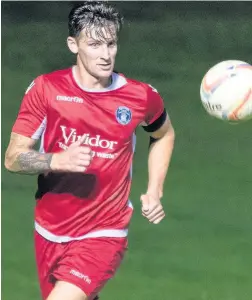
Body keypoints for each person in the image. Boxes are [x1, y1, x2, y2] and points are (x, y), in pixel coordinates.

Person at [4, 1, 175, 300]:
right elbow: (13, 158)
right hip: (49, 230)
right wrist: (56, 159)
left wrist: (154, 189)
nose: (105, 54)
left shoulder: (139, 96)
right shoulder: (46, 90)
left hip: (104, 233)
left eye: (111, 43)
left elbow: (164, 134)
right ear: (73, 45)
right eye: (94, 44)